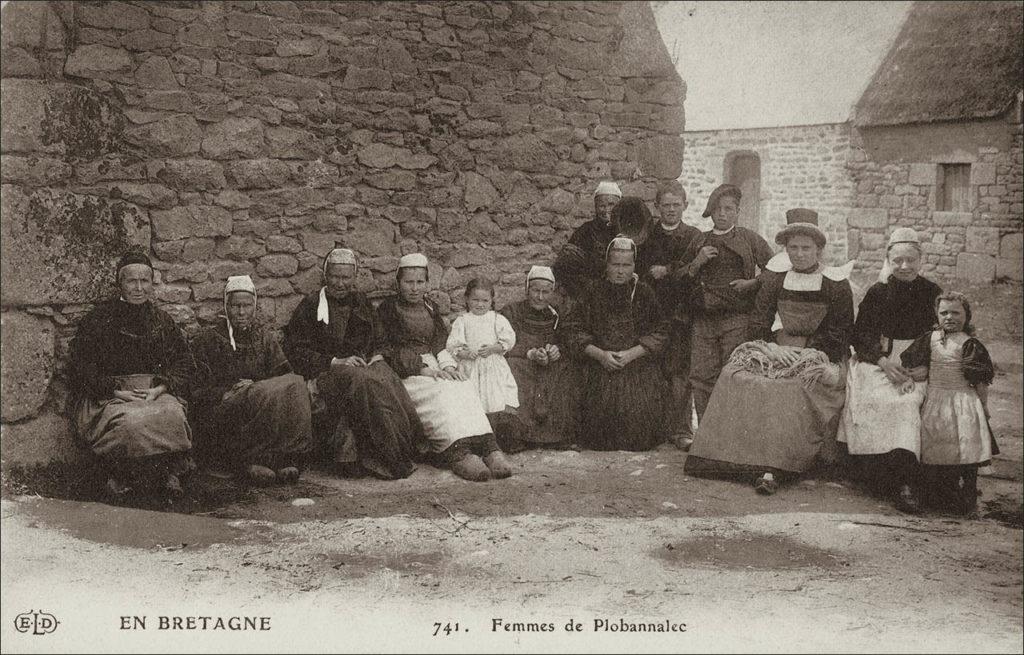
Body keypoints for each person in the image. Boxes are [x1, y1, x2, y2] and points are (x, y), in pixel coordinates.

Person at [684, 209, 854, 494]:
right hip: (775, 350)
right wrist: (772, 349)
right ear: (785, 250)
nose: (799, 254)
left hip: (817, 355)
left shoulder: (836, 284)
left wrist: (804, 355)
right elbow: (759, 322)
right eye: (793, 248)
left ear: (819, 250)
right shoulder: (774, 279)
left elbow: (839, 332)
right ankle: (730, 459)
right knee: (734, 375)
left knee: (789, 389)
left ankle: (776, 466)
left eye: (806, 248)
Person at [283, 248, 428, 480]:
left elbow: (380, 339)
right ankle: (385, 458)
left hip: (362, 365)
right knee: (360, 379)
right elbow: (295, 350)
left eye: (346, 277)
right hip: (326, 373)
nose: (340, 283)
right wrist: (335, 361)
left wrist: (378, 355)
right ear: (325, 276)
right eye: (335, 277)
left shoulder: (361, 302)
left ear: (354, 277)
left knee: (384, 374)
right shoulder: (310, 305)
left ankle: (406, 448)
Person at [68, 246, 195, 498]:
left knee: (172, 414)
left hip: (153, 392)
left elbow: (182, 360)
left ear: (152, 283)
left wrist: (160, 388)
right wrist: (118, 393)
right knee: (130, 423)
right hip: (108, 395)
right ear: (120, 284)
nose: (139, 288)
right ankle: (119, 473)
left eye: (144, 281)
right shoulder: (98, 320)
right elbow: (80, 367)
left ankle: (169, 471)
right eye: (131, 281)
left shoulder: (161, 320)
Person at [378, 254, 514, 481]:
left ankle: (489, 448)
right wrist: (423, 369)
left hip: (434, 365)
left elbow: (440, 344)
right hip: (408, 372)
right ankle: (458, 453)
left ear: (427, 283)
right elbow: (386, 349)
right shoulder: (387, 310)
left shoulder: (430, 308)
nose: (414, 288)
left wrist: (449, 366)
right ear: (398, 283)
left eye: (420, 282)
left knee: (462, 385)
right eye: (408, 282)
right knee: (441, 392)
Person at [837, 228, 941, 513]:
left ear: (921, 260)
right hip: (879, 360)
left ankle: (906, 481)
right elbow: (860, 335)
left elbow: (944, 335)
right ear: (888, 260)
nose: (904, 266)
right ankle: (873, 473)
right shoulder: (878, 292)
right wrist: (882, 361)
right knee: (873, 397)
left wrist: (926, 367)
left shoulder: (933, 293)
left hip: (918, 364)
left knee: (906, 404)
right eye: (898, 261)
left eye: (910, 260)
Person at [191, 275, 312, 485]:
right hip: (226, 409)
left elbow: (283, 377)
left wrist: (258, 387)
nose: (241, 312)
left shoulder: (264, 339)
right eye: (236, 306)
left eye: (246, 306)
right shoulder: (207, 340)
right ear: (226, 306)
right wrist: (224, 392)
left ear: (254, 306)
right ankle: (247, 464)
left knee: (296, 384)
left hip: (262, 405)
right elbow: (195, 388)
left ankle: (285, 458)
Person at [674, 184, 774, 427]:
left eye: (729, 209)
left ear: (737, 212)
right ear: (711, 211)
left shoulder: (749, 239)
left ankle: (731, 436)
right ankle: (707, 435)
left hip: (737, 319)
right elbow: (678, 278)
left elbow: (775, 269)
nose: (723, 214)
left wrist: (752, 283)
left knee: (735, 374)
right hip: (704, 319)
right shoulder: (701, 240)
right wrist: (697, 263)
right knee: (701, 376)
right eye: (717, 209)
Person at [563, 237, 670, 451]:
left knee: (638, 432)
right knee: (597, 432)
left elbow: (661, 331)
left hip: (636, 366)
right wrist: (600, 355)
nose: (620, 271)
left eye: (626, 265)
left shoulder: (644, 292)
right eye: (615, 265)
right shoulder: (592, 291)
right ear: (607, 265)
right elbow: (572, 329)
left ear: (634, 266)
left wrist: (632, 353)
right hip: (599, 365)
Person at [901, 291, 998, 515]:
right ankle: (934, 492)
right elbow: (911, 360)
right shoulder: (930, 339)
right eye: (944, 312)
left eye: (956, 312)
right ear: (936, 314)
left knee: (964, 446)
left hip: (963, 400)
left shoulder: (970, 344)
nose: (949, 317)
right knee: (934, 445)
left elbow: (980, 381)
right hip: (936, 399)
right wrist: (915, 373)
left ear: (967, 316)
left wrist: (983, 406)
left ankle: (967, 494)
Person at [638, 181, 701, 449]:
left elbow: (693, 269)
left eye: (676, 205)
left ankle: (682, 430)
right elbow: (638, 268)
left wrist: (668, 269)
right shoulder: (647, 236)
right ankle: (654, 429)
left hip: (681, 313)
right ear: (657, 207)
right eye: (666, 205)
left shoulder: (694, 236)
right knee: (653, 369)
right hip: (651, 311)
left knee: (680, 373)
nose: (671, 210)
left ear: (685, 206)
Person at [500, 266, 581, 449]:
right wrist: (529, 353)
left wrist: (556, 350)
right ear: (527, 289)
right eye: (536, 290)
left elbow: (567, 341)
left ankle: (557, 437)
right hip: (522, 360)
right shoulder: (511, 311)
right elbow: (504, 343)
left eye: (546, 292)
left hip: (549, 363)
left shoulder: (558, 314)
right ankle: (519, 436)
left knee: (567, 370)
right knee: (513, 368)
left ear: (553, 293)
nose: (540, 297)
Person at [447, 277, 520, 416]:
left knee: (496, 399)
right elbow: (453, 346)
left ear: (491, 301)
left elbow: (508, 341)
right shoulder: (462, 321)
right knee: (473, 404)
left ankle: (497, 421)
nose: (480, 304)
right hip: (471, 367)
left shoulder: (497, 319)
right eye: (475, 300)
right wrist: (466, 353)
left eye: (485, 301)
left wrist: (493, 348)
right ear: (467, 299)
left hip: (493, 367)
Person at [553, 180, 622, 300]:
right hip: (593, 295)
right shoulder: (585, 231)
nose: (606, 210)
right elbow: (565, 264)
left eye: (611, 205)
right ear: (596, 207)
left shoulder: (627, 230)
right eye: (602, 206)